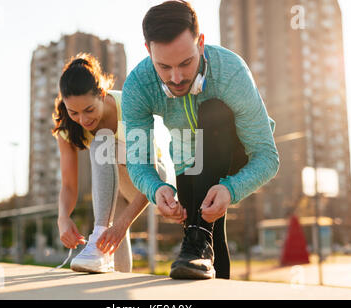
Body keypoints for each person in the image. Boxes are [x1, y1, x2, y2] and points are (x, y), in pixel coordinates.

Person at [121, 0, 279, 279]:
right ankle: (202, 247)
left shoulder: (230, 71)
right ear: (148, 51)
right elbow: (137, 161)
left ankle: (199, 236)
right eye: (164, 67)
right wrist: (156, 189)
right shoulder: (138, 86)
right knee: (202, 242)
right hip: (187, 158)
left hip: (237, 148)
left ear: (201, 43)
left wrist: (231, 189)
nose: (177, 77)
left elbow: (267, 157)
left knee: (213, 110)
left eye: (186, 62)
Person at [52, 53, 163, 273]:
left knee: (102, 140)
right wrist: (63, 218)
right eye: (74, 112)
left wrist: (122, 225)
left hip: (151, 181)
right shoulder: (67, 128)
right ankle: (100, 246)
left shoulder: (129, 105)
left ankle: (99, 232)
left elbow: (152, 171)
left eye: (89, 110)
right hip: (113, 193)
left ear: (102, 95)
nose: (83, 120)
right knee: (119, 270)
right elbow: (69, 186)